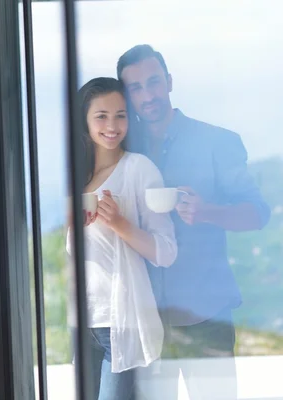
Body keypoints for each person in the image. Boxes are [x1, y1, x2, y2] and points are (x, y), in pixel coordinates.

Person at [117, 44, 271, 399]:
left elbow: (257, 213)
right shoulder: (122, 149)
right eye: (135, 88)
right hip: (145, 322)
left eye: (154, 82)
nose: (147, 95)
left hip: (207, 319)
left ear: (169, 82)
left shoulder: (217, 142)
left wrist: (206, 212)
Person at [66, 77, 177, 400]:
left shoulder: (140, 169)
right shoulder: (80, 178)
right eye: (101, 116)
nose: (112, 125)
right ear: (84, 120)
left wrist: (118, 223)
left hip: (123, 321)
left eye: (121, 115)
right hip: (83, 321)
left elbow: (166, 252)